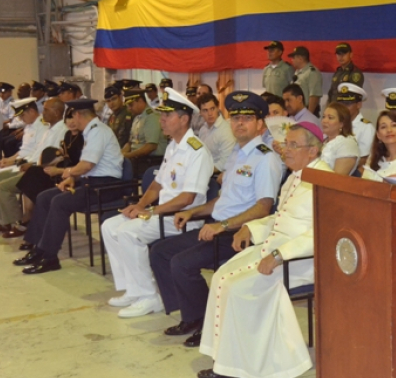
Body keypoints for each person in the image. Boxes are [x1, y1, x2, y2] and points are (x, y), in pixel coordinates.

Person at [149, 91, 282, 348]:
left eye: (246, 118)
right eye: (235, 118)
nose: (239, 123)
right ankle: (192, 316)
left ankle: (208, 324)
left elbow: (264, 208)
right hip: (217, 227)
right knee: (161, 251)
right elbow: (222, 200)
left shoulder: (265, 158)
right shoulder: (237, 154)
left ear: (260, 124)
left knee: (182, 263)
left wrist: (220, 225)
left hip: (237, 234)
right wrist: (193, 212)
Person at [197, 122, 330, 378]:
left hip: (300, 260)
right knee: (221, 277)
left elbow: (322, 233)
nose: (285, 150)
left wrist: (280, 256)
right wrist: (251, 227)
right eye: (286, 144)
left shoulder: (325, 181)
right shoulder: (296, 175)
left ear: (313, 151)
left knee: (238, 289)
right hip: (274, 248)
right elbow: (281, 217)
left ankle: (240, 369)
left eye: (293, 145)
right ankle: (225, 360)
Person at [102, 88, 213, 318]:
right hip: (161, 213)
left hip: (183, 219)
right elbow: (157, 185)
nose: (161, 120)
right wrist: (140, 206)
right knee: (109, 226)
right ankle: (134, 289)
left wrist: (151, 211)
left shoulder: (197, 152)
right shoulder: (173, 146)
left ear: (184, 119)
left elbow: (187, 198)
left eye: (167, 116)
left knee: (128, 233)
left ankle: (150, 297)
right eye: (161, 115)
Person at [14, 98, 124, 274]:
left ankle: (50, 258)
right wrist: (73, 179)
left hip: (106, 187)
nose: (72, 121)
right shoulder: (90, 131)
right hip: (92, 182)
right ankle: (38, 249)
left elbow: (87, 165)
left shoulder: (97, 132)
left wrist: (68, 172)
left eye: (73, 117)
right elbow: (88, 167)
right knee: (44, 197)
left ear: (78, 115)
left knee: (59, 203)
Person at [0, 98, 66, 238]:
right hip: (30, 166)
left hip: (39, 172)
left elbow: (53, 158)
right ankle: (1, 221)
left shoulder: (61, 130)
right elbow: (36, 151)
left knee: (3, 187)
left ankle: (18, 223)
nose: (42, 112)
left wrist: (28, 164)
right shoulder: (49, 128)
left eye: (45, 109)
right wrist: (20, 162)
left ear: (56, 112)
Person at [122, 88, 167, 177]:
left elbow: (151, 146)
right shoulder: (137, 118)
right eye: (128, 105)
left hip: (150, 162)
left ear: (141, 101)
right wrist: (120, 154)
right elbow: (130, 142)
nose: (129, 108)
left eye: (131, 105)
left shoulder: (152, 117)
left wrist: (128, 155)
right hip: (137, 160)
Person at [335, 83, 374, 172]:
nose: (343, 108)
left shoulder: (366, 128)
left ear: (359, 105)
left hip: (352, 173)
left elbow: (363, 160)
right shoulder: (335, 123)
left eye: (347, 104)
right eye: (341, 104)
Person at [197, 93, 236, 174]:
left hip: (219, 175)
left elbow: (225, 162)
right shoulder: (203, 129)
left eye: (212, 109)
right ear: (200, 112)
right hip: (204, 171)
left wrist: (203, 170)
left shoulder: (225, 130)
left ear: (218, 108)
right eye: (205, 110)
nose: (210, 113)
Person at [320, 102, 359, 175]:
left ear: (342, 123)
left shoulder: (347, 144)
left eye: (330, 118)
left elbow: (337, 179)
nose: (324, 121)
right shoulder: (323, 141)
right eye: (323, 116)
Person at [287, 46, 322, 116]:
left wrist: (308, 115)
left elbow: (314, 96)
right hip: (297, 111)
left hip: (306, 111)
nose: (292, 60)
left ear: (300, 58)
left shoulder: (312, 73)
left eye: (294, 58)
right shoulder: (298, 72)